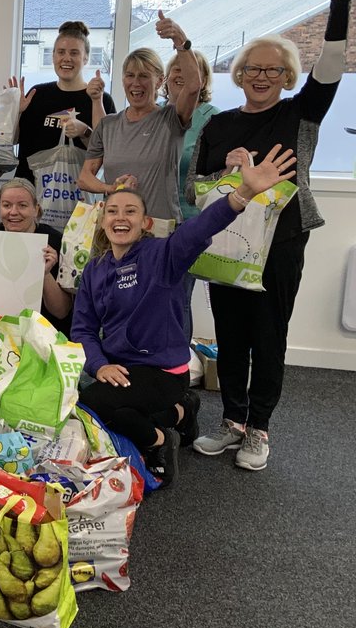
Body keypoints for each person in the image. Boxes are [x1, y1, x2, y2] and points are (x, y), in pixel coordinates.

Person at [188, 0, 355, 471]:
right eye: (252, 67)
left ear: (286, 76)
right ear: (239, 74)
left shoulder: (301, 112)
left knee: (268, 334)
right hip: (225, 243)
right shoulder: (217, 125)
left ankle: (259, 428)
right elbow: (199, 185)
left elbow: (330, 60)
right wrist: (232, 172)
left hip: (281, 241)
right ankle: (232, 420)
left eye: (273, 69)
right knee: (230, 335)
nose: (261, 76)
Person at [72, 147, 298, 485]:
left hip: (163, 371)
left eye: (131, 211)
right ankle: (181, 412)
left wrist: (244, 192)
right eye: (113, 211)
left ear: (145, 223)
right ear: (103, 220)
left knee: (93, 404)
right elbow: (83, 329)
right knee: (94, 400)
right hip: (120, 368)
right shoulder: (94, 270)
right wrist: (98, 365)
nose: (121, 218)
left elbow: (199, 227)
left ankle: (161, 442)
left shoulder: (164, 256)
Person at [77, 14, 201, 223]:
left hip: (158, 230)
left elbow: (193, 86)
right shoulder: (108, 125)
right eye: (130, 75)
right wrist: (111, 189)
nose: (136, 83)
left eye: (144, 76)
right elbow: (84, 178)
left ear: (160, 80)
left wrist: (179, 40)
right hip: (118, 228)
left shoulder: (171, 118)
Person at [0, 178, 72, 336]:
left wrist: (44, 274)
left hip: (42, 338)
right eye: (7, 205)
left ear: (36, 209)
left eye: (22, 205)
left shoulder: (56, 243)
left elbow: (61, 312)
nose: (13, 212)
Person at [11, 20, 116, 184]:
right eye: (61, 52)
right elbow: (14, 140)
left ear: (86, 58)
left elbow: (106, 152)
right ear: (53, 56)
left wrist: (85, 132)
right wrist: (15, 112)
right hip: (30, 195)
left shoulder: (101, 99)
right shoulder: (36, 94)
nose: (66, 58)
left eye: (74, 53)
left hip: (76, 197)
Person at [162, 50, 220, 221]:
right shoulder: (152, 113)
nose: (183, 75)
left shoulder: (214, 119)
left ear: (203, 81)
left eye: (192, 70)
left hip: (192, 220)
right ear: (167, 76)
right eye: (177, 69)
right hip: (149, 219)